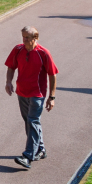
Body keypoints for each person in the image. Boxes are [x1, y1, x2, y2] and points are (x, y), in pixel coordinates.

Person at [5, 28, 58, 169]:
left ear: (35, 38)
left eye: (27, 37)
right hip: (21, 92)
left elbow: (52, 75)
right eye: (23, 37)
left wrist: (51, 97)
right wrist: (8, 82)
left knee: (32, 121)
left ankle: (28, 156)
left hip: (37, 94)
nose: (24, 40)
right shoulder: (18, 49)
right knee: (29, 122)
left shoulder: (43, 53)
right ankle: (40, 150)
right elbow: (11, 67)